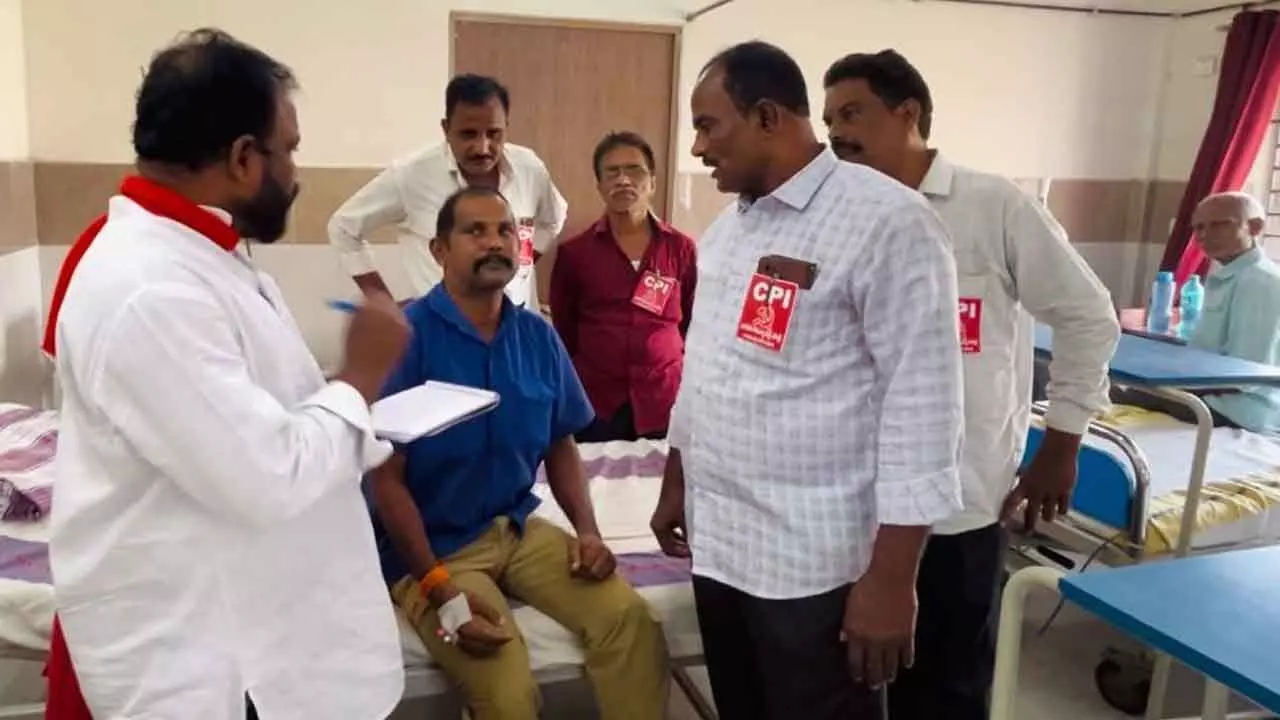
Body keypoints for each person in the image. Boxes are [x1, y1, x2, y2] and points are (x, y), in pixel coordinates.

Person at [43, 29, 406, 720]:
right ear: (244, 157)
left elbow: (233, 417)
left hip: (255, 630)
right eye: (290, 149)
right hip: (216, 665)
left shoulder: (198, 251)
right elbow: (266, 475)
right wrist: (359, 379)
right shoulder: (149, 287)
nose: (296, 172)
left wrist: (332, 392)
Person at [650, 41, 965, 720]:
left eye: (709, 126)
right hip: (722, 546)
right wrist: (678, 477)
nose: (699, 149)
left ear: (767, 117)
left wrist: (891, 581)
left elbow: (925, 409)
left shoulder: (888, 223)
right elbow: (704, 368)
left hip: (813, 563)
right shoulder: (728, 233)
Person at [821, 49, 1120, 720]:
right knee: (857, 677)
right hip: (852, 500)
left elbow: (1089, 316)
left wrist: (1061, 443)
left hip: (958, 501)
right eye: (829, 119)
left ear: (908, 115)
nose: (837, 133)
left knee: (947, 684)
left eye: (852, 113)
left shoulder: (992, 207)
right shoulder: (840, 215)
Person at [367, 186, 669, 720]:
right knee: (506, 686)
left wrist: (589, 532)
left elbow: (561, 442)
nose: (494, 242)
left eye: (505, 230)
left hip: (517, 527)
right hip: (436, 550)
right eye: (475, 231)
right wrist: (439, 590)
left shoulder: (536, 335)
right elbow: (385, 481)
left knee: (632, 623)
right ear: (438, 250)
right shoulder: (406, 338)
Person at [328, 73, 568, 309]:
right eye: (468, 134)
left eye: (494, 134)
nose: (482, 148)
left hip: (515, 328)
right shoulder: (411, 175)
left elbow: (553, 218)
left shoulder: (529, 168)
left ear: (506, 127)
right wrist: (384, 303)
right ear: (446, 129)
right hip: (440, 332)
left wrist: (517, 265)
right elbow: (343, 228)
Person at [549, 131, 697, 442]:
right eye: (612, 172)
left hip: (664, 399)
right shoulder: (575, 253)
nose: (623, 180)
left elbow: (694, 323)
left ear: (652, 182)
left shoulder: (680, 248)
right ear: (600, 185)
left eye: (634, 170)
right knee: (597, 485)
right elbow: (565, 328)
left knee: (662, 485)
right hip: (597, 401)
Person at [1116, 192, 1280, 432]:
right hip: (1211, 394)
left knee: (1106, 394)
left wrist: (1176, 385)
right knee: (1101, 388)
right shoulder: (1226, 276)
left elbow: (1247, 373)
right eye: (1199, 228)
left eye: (1219, 225)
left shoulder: (1259, 282)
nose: (1204, 235)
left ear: (1254, 227)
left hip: (1238, 410)